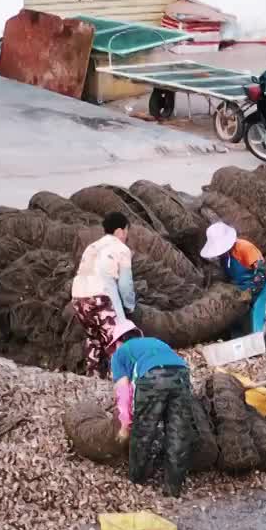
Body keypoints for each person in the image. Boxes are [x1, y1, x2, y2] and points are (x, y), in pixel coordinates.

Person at [110, 322, 195, 497]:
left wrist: (125, 426)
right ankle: (173, 489)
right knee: (177, 432)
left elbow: (124, 392)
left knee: (143, 431)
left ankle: (136, 481)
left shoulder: (119, 354)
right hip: (181, 374)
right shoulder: (154, 342)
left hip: (153, 376)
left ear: (118, 342)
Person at [71, 211, 136, 378]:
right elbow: (125, 285)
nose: (126, 236)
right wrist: (129, 307)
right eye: (127, 231)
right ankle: (120, 382)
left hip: (78, 298)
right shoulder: (122, 249)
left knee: (93, 339)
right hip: (101, 297)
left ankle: (94, 379)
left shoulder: (92, 247)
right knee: (116, 342)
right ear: (120, 231)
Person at [201, 221, 266, 342]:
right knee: (237, 322)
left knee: (258, 322)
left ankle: (260, 351)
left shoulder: (244, 247)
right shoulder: (223, 257)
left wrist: (251, 291)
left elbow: (261, 272)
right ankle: (239, 349)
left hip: (259, 289)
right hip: (241, 290)